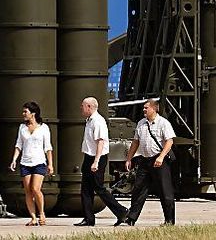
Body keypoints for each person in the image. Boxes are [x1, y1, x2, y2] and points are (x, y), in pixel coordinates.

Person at [74, 96, 130, 227]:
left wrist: (96, 161)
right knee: (86, 189)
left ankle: (121, 211)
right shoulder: (89, 120)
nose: (81, 108)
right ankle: (89, 218)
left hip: (97, 157)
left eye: (83, 106)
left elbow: (100, 142)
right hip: (89, 156)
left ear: (89, 107)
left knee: (99, 188)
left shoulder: (98, 121)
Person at [123, 98, 176, 226]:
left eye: (146, 108)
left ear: (154, 108)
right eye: (144, 108)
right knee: (138, 190)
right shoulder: (141, 123)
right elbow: (136, 142)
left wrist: (161, 157)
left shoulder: (163, 123)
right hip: (144, 160)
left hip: (159, 159)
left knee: (165, 191)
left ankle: (169, 220)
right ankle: (131, 217)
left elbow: (169, 142)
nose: (144, 110)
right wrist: (129, 158)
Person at [8, 101, 53, 226]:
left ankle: (42, 213)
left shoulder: (44, 128)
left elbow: (48, 147)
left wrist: (50, 164)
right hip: (25, 162)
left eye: (25, 112)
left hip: (39, 162)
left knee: (35, 189)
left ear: (33, 113)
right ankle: (33, 217)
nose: (23, 114)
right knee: (28, 191)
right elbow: (19, 145)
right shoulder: (22, 128)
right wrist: (14, 160)